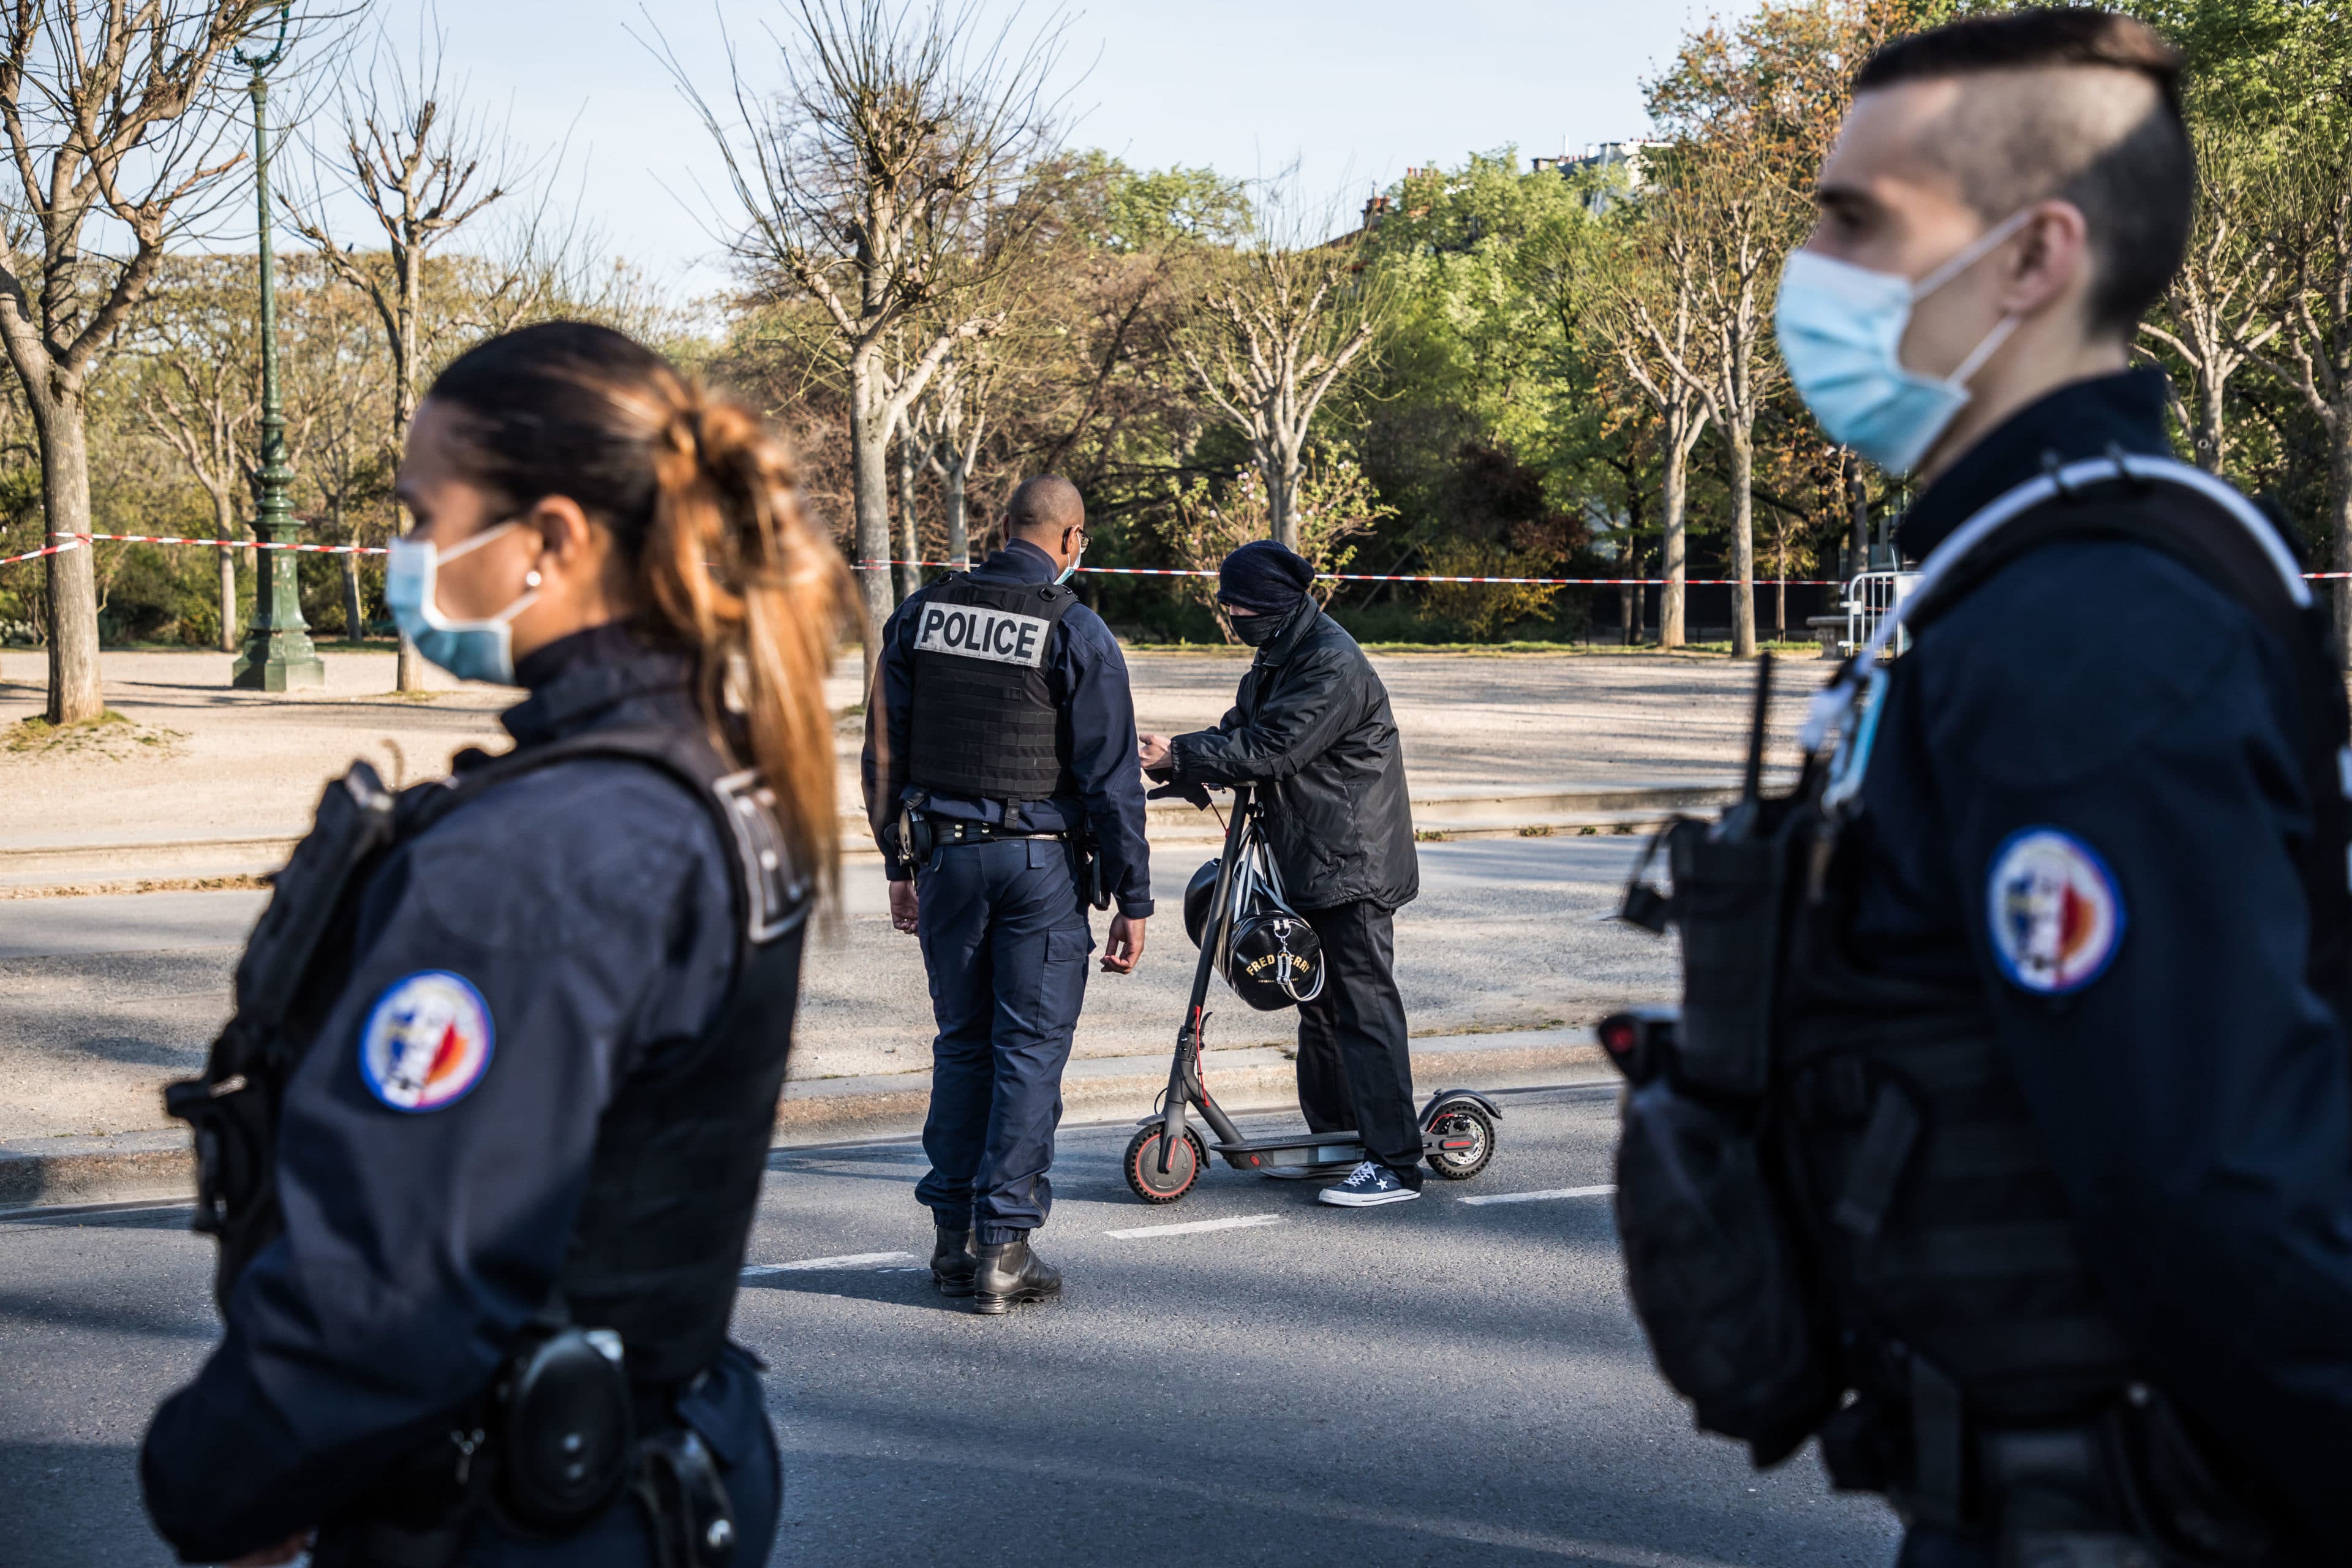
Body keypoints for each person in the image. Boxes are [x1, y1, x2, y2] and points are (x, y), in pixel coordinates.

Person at [1623, 11, 2352, 1565]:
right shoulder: (2013, 573)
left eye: (1856, 221)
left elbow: (2209, 1193)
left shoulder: (2089, 625)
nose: (1806, 265)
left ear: (2031, 259)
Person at [140, 322, 850, 1567]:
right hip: (659, 1468)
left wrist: (214, 1482)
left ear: (555, 540)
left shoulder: (542, 853)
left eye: (425, 515)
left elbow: (391, 1294)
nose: (406, 552)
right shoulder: (707, 768)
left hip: (513, 1518)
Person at [862, 475, 1152, 1314]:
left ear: (1004, 527)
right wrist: (1134, 897)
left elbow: (885, 752)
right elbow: (1112, 780)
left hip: (946, 863)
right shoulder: (1077, 629)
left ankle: (952, 1244)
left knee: (962, 1045)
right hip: (1039, 870)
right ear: (1071, 540)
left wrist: (897, 863)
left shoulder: (922, 616)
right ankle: (1004, 1249)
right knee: (1027, 1053)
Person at [1139, 540, 1422, 1208]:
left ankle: (1396, 1163)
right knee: (1320, 1006)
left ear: (1273, 600)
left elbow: (1272, 748)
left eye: (1237, 602)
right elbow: (1240, 731)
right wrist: (1174, 760)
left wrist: (1184, 754)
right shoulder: (1280, 655)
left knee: (1363, 1004)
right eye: (1226, 602)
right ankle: (1342, 1138)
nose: (1230, 613)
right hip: (1312, 856)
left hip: (1352, 860)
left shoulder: (1330, 662)